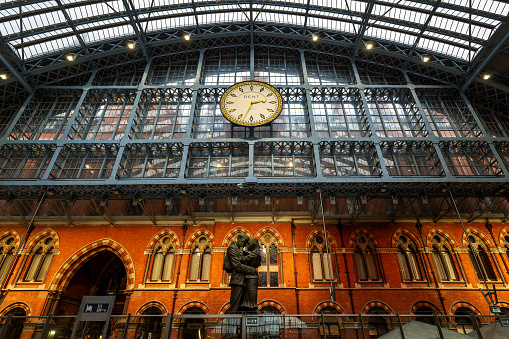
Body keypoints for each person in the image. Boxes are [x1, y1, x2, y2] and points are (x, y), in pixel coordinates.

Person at [226, 233, 257, 314]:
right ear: (240, 239)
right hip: (237, 281)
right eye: (245, 241)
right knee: (234, 307)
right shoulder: (232, 248)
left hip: (244, 281)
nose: (246, 244)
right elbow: (237, 265)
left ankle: (240, 325)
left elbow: (244, 258)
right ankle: (229, 325)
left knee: (242, 308)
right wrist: (252, 270)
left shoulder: (240, 249)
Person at [240, 238, 261, 312]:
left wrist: (240, 251)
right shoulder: (256, 253)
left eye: (249, 243)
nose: (248, 245)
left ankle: (255, 319)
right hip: (251, 277)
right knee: (248, 301)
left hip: (251, 277)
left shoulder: (255, 253)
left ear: (253, 244)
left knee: (252, 303)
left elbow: (243, 260)